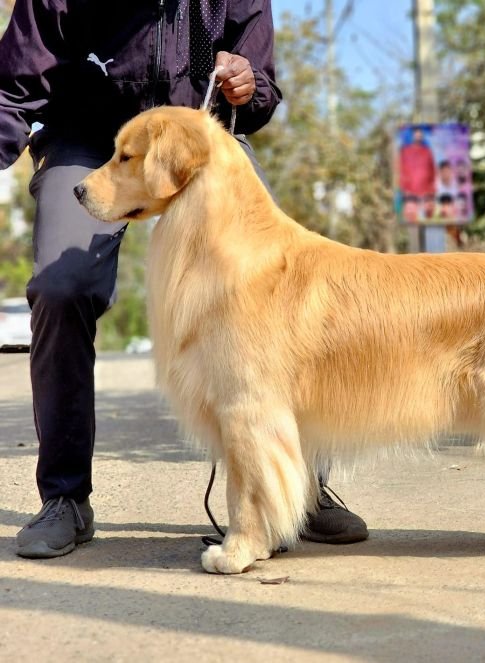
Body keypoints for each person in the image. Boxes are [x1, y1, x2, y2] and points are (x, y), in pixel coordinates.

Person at [0, 0, 367, 559]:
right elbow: (14, 85)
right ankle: (65, 498)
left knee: (274, 283)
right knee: (61, 285)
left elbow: (261, 84)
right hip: (91, 140)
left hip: (196, 146)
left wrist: (249, 85)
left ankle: (302, 488)